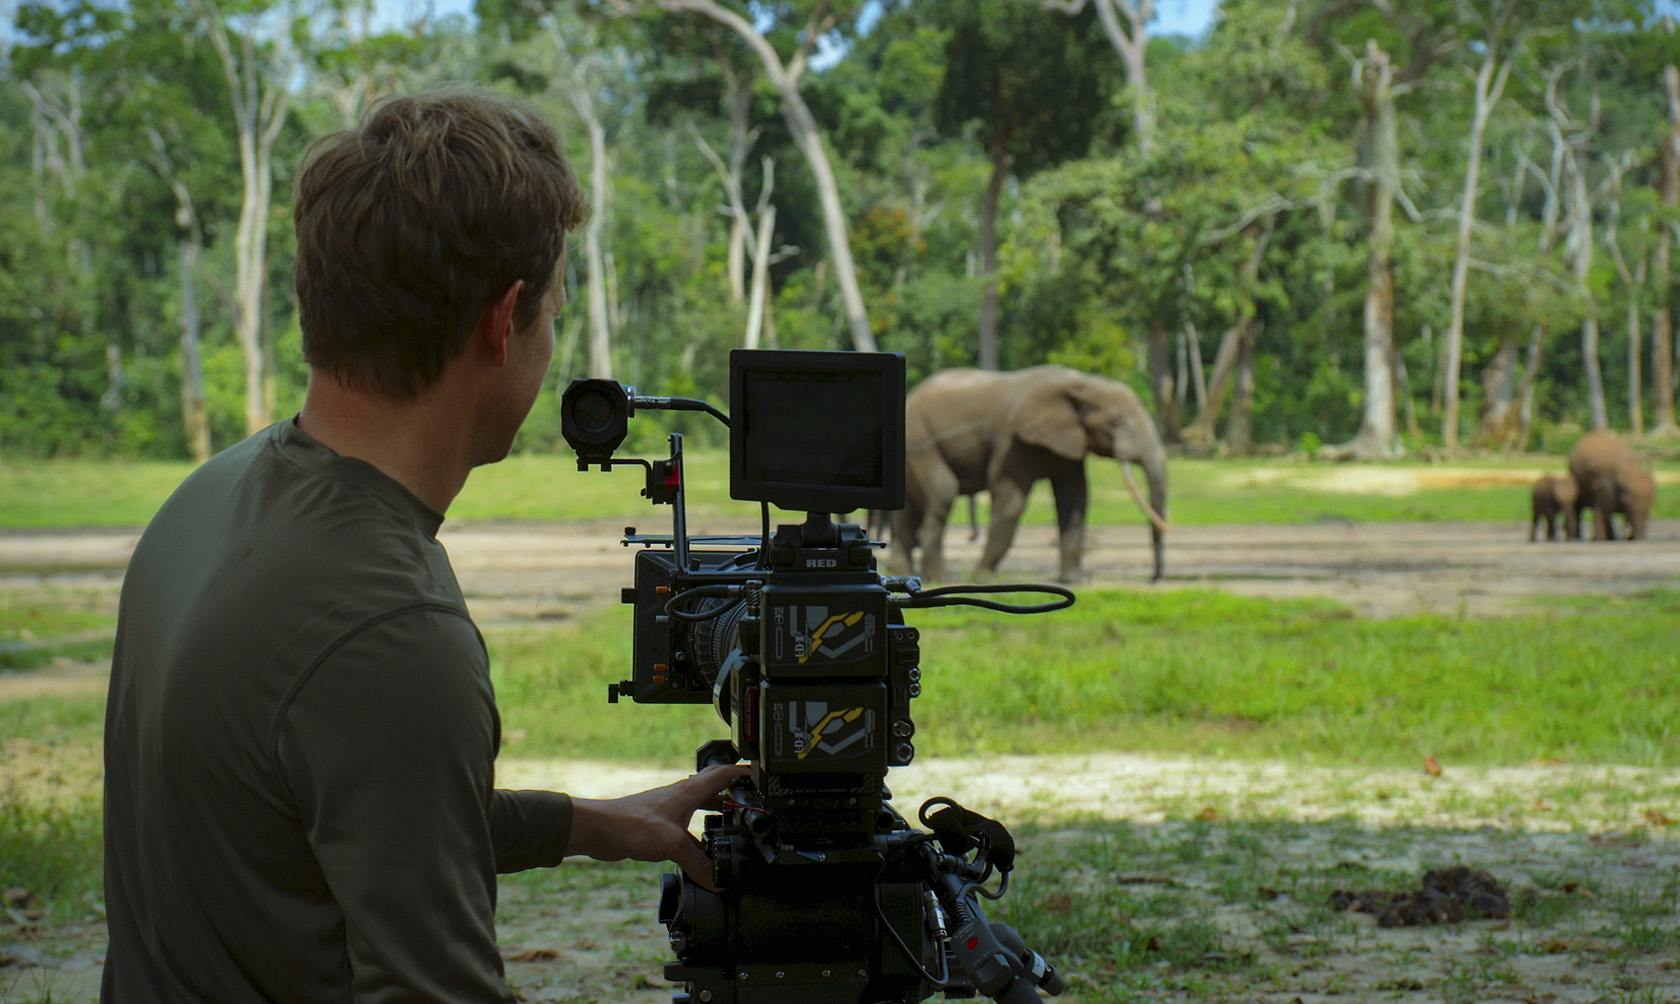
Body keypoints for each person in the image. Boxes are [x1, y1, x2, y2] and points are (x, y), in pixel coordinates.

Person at [100, 87, 745, 1002]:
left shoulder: (213, 495)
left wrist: (591, 823)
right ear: (502, 320)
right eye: (552, 313)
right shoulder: (388, 627)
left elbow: (336, 809)